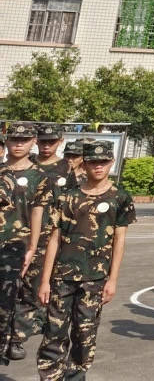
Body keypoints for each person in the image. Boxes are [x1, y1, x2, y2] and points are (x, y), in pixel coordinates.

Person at [35, 139, 135, 380]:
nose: (98, 166)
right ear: (84, 163)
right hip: (62, 277)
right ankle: (50, 376)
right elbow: (54, 239)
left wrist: (113, 280)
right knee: (54, 332)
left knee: (85, 333)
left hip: (95, 278)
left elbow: (119, 240)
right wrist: (45, 281)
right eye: (92, 162)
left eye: (103, 162)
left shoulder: (120, 197)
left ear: (112, 162)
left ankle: (77, 375)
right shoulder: (67, 197)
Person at [15, 125, 77, 352]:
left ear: (60, 141)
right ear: (36, 142)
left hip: (49, 237)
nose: (46, 145)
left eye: (51, 141)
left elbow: (71, 204)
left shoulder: (65, 169)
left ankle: (18, 335)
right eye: (43, 141)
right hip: (20, 233)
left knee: (35, 286)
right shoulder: (27, 164)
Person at [0, 121, 44, 364]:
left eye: (24, 140)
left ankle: (11, 341)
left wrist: (32, 247)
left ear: (33, 142)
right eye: (14, 139)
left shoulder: (39, 177)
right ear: (6, 141)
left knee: (14, 299)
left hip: (18, 246)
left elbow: (38, 212)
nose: (18, 144)